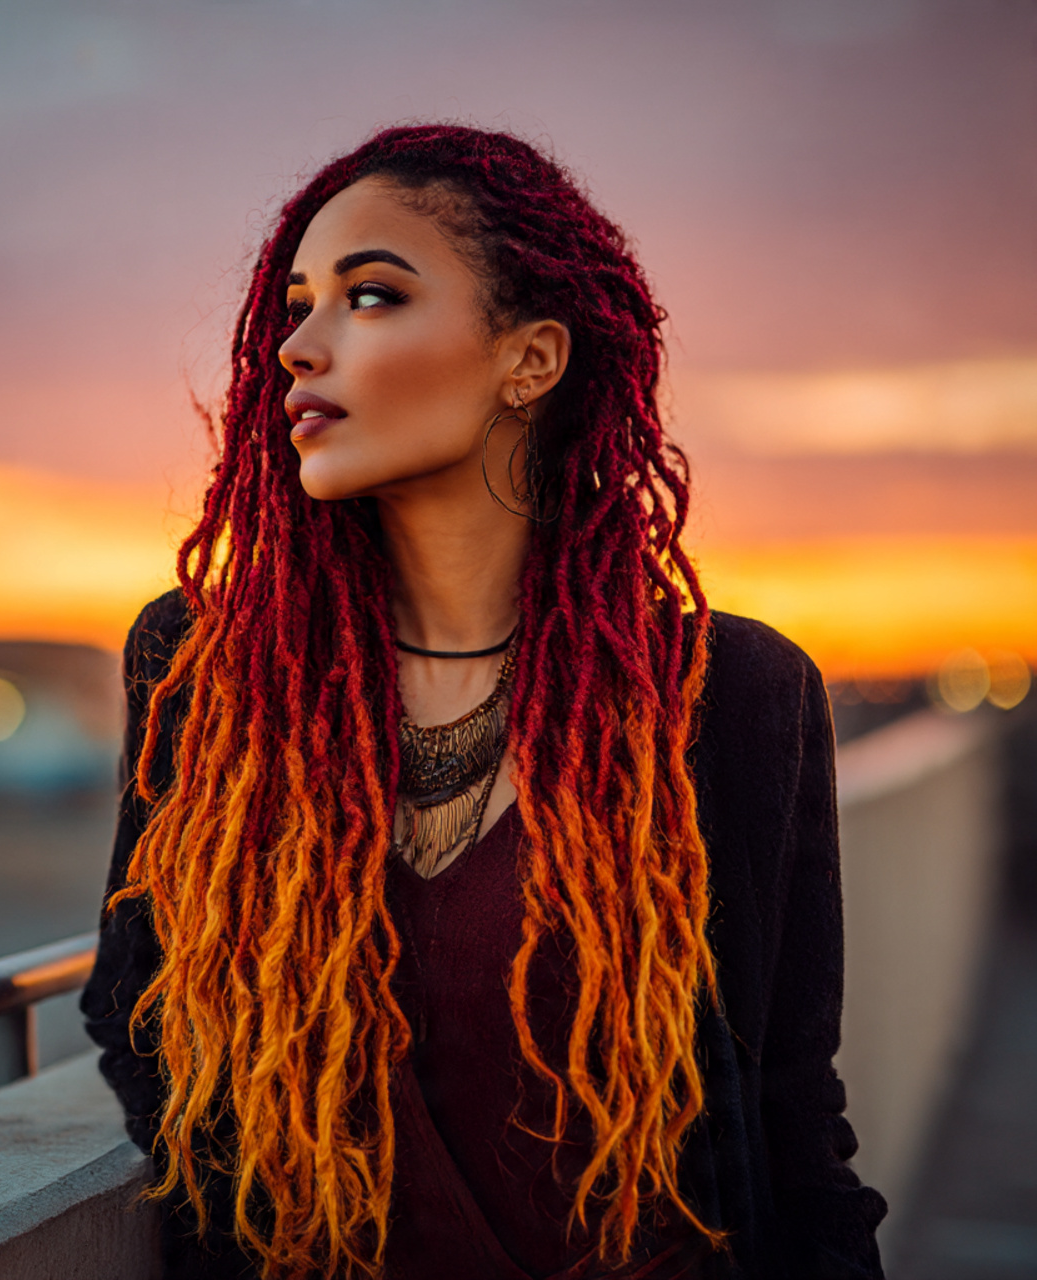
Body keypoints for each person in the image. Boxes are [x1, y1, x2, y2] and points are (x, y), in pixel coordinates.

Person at [81, 124, 887, 1279]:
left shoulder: (729, 696)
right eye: (294, 305)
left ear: (531, 358)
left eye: (367, 296)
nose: (295, 348)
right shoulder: (206, 672)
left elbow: (788, 1112)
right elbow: (137, 1015)